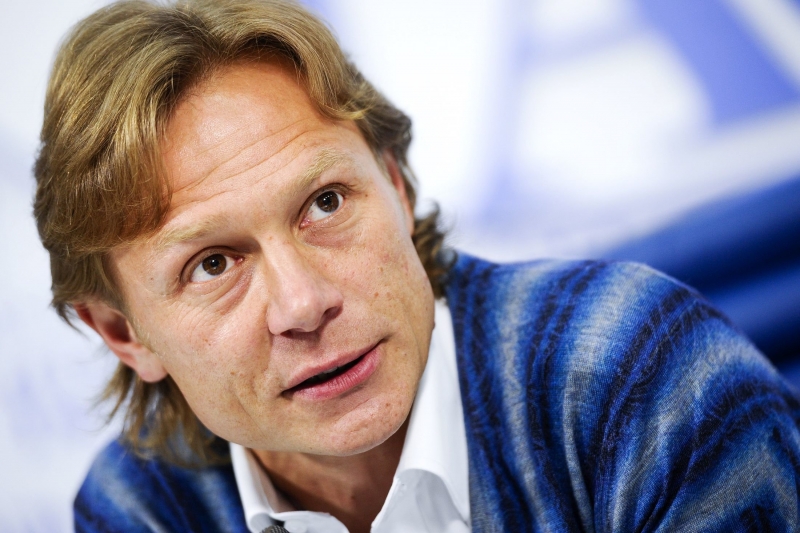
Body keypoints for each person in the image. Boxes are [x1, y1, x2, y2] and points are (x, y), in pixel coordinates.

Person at [33, 0, 800, 531]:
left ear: (396, 186)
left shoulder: (635, 375)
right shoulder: (142, 507)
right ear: (123, 333)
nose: (303, 303)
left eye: (325, 202)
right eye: (211, 264)